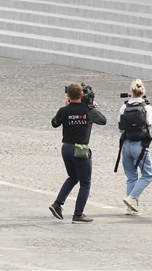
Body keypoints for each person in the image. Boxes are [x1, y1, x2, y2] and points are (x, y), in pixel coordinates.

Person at [49, 83, 107, 223]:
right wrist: (93, 107)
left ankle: (58, 204)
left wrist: (67, 107)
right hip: (80, 149)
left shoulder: (64, 110)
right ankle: (78, 214)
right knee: (85, 183)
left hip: (66, 148)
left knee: (73, 176)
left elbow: (54, 123)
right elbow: (103, 121)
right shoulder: (88, 110)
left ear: (68, 96)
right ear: (82, 95)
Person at [117, 79, 152, 216]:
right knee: (148, 174)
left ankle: (130, 208)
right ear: (143, 92)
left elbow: (120, 128)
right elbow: (150, 125)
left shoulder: (124, 107)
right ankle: (132, 198)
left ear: (131, 92)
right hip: (140, 145)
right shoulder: (147, 108)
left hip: (126, 145)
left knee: (131, 176)